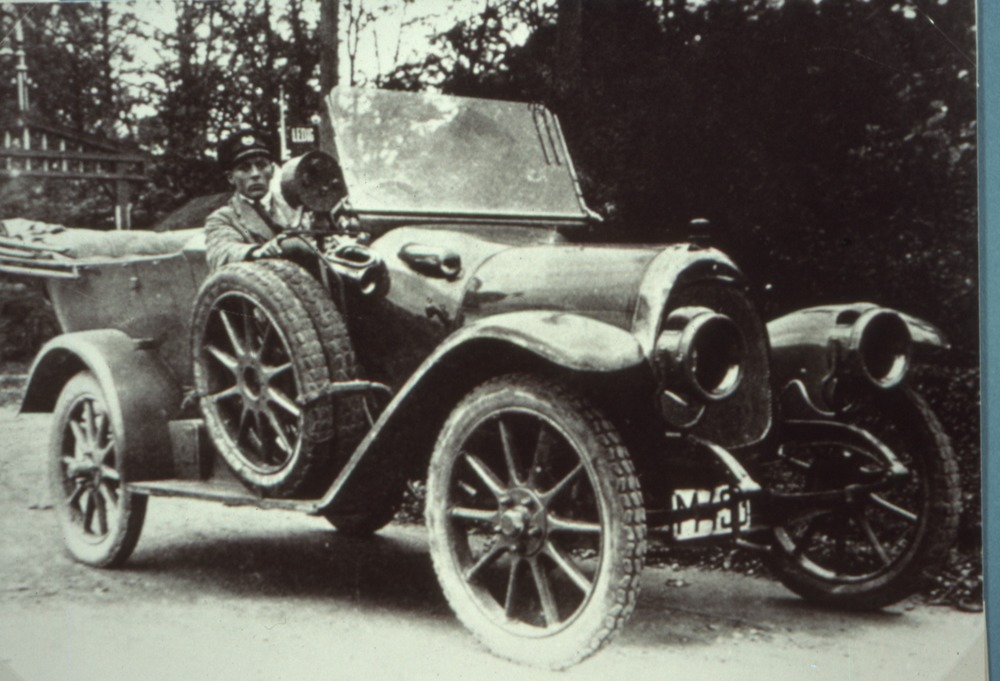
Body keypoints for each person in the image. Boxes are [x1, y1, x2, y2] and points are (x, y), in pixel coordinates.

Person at [204, 128, 308, 270]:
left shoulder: (295, 206)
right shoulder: (223, 218)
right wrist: (257, 251)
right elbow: (221, 251)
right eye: (244, 168)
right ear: (230, 178)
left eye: (261, 165)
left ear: (272, 170)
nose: (255, 174)